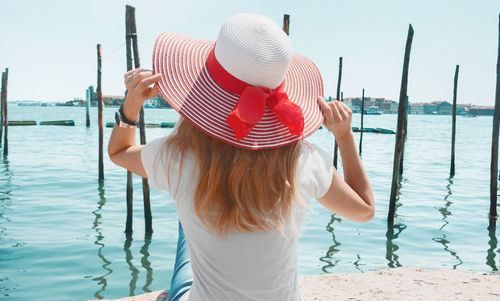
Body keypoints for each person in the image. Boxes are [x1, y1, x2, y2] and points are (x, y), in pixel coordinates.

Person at [108, 13, 374, 301]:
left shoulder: (177, 157)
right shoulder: (306, 160)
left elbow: (119, 152)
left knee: (189, 219)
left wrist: (132, 104)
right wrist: (344, 137)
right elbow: (364, 210)